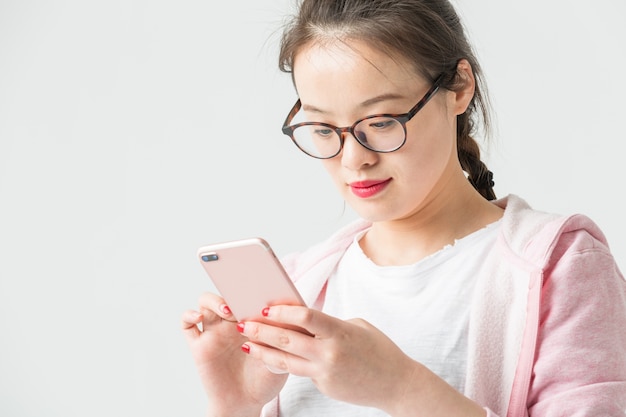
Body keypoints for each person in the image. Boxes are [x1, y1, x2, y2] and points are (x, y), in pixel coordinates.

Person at [181, 0, 626, 415]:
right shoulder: (302, 288)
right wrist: (236, 406)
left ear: (459, 88)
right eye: (321, 128)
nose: (354, 159)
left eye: (381, 122)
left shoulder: (558, 266)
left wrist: (403, 388)